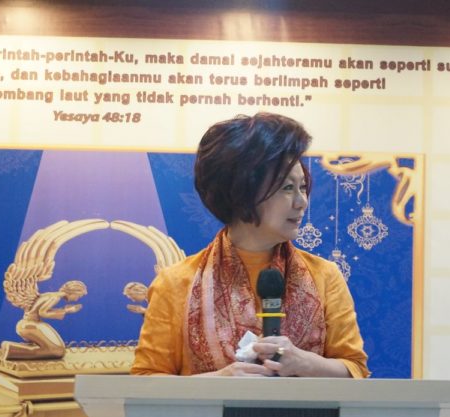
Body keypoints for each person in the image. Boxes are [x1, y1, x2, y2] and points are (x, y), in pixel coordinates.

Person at [131, 112, 369, 378]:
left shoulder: (325, 276)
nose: (302, 202)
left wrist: (305, 362)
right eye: (287, 188)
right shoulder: (175, 283)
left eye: (303, 187)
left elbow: (355, 370)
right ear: (242, 191)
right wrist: (220, 380)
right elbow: (147, 379)